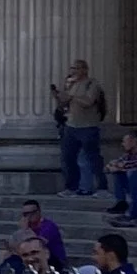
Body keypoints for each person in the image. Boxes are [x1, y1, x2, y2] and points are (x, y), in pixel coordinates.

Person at [55, 59, 110, 196]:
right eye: (72, 68)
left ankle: (102, 188)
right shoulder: (71, 85)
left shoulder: (92, 84)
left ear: (85, 70)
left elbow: (88, 101)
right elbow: (65, 104)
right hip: (71, 125)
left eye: (77, 68)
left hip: (88, 126)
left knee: (93, 158)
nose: (73, 71)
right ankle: (71, 187)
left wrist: (70, 96)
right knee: (68, 158)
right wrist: (59, 96)